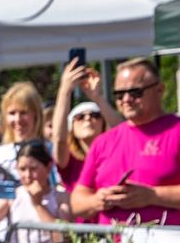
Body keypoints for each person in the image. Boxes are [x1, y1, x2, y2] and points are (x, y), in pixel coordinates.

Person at [72, 58, 180, 226]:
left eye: (135, 92)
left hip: (167, 240)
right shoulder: (103, 141)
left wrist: (153, 196)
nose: (126, 99)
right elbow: (77, 202)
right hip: (112, 241)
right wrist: (98, 200)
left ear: (159, 90)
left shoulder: (175, 131)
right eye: (119, 94)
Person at [51, 59, 120, 192]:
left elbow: (123, 132)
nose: (88, 118)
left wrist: (98, 97)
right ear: (71, 128)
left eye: (95, 115)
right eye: (80, 117)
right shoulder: (69, 160)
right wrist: (65, 90)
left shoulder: (112, 153)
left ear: (103, 123)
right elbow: (59, 139)